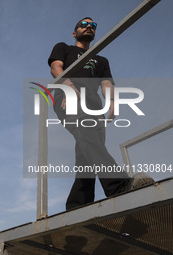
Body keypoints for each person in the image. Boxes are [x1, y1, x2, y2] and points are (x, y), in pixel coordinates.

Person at [48, 17, 154, 210]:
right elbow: (56, 67)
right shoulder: (65, 48)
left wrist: (112, 101)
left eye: (93, 25)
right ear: (75, 32)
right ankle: (119, 187)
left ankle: (77, 205)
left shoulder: (101, 60)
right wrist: (68, 86)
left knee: (88, 152)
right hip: (69, 99)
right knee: (88, 140)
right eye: (84, 24)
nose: (89, 26)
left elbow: (105, 83)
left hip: (95, 109)